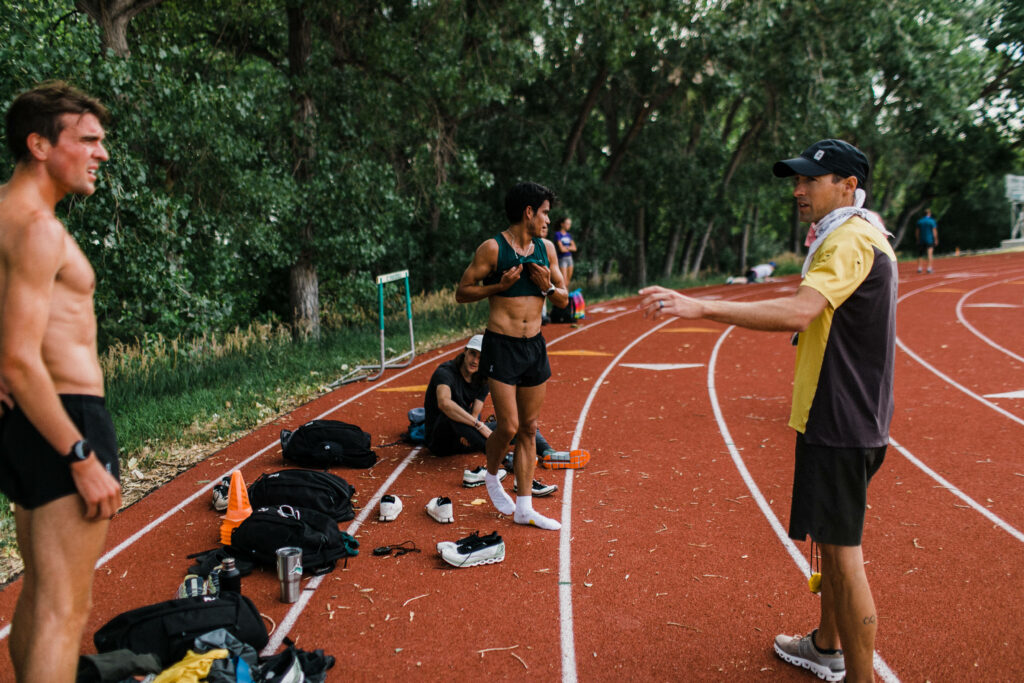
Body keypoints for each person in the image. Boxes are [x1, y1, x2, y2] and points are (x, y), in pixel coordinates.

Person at [640, 139, 896, 683]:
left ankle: (860, 678)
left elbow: (802, 312)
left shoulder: (848, 240)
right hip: (846, 415)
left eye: (810, 181)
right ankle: (826, 644)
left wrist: (700, 305)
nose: (798, 190)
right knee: (829, 539)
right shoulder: (861, 234)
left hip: (840, 419)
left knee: (846, 559)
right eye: (796, 181)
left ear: (847, 186)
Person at [0, 82, 122, 682]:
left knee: (38, 595)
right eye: (89, 140)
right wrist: (80, 455)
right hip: (64, 416)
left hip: (21, 422)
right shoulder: (42, 229)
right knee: (63, 609)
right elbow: (21, 360)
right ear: (40, 145)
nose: (101, 153)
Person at [455, 181, 568, 530]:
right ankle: (491, 477)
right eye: (545, 212)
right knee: (509, 426)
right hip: (501, 345)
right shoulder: (493, 249)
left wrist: (547, 285)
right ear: (528, 212)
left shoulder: (546, 249)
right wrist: (499, 287)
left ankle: (524, 507)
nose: (548, 220)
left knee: (530, 429)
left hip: (533, 346)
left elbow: (565, 300)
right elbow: (462, 292)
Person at [422, 334, 558, 496]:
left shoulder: (483, 376)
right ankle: (508, 462)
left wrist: (472, 431)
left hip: (464, 436)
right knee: (452, 413)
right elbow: (444, 403)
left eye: (481, 357)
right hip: (440, 440)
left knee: (518, 425)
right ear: (465, 352)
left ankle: (549, 453)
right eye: (472, 353)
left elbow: (476, 411)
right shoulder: (445, 372)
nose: (475, 360)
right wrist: (478, 426)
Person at [553, 216, 577, 288]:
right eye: (567, 224)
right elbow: (561, 249)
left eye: (570, 224)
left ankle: (566, 297)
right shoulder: (557, 234)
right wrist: (569, 247)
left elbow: (575, 248)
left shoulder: (569, 235)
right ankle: (564, 298)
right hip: (562, 259)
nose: (569, 225)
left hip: (570, 258)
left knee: (568, 282)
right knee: (563, 281)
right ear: (562, 224)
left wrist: (566, 247)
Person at [915, 208, 938, 273]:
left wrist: (917, 239)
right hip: (929, 240)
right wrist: (936, 239)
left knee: (920, 254)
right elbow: (934, 231)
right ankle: (929, 268)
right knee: (929, 254)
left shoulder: (919, 221)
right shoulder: (932, 221)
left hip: (921, 240)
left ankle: (919, 268)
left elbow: (917, 232)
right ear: (929, 213)